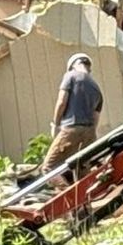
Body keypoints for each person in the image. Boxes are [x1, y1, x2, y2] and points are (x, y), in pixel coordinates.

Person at [42, 52, 103, 182]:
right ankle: (83, 200)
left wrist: (56, 124)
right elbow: (95, 119)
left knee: (48, 168)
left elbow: (61, 102)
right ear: (88, 67)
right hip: (90, 134)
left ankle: (68, 199)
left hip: (71, 129)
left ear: (74, 65)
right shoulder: (97, 88)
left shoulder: (71, 76)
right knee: (80, 172)